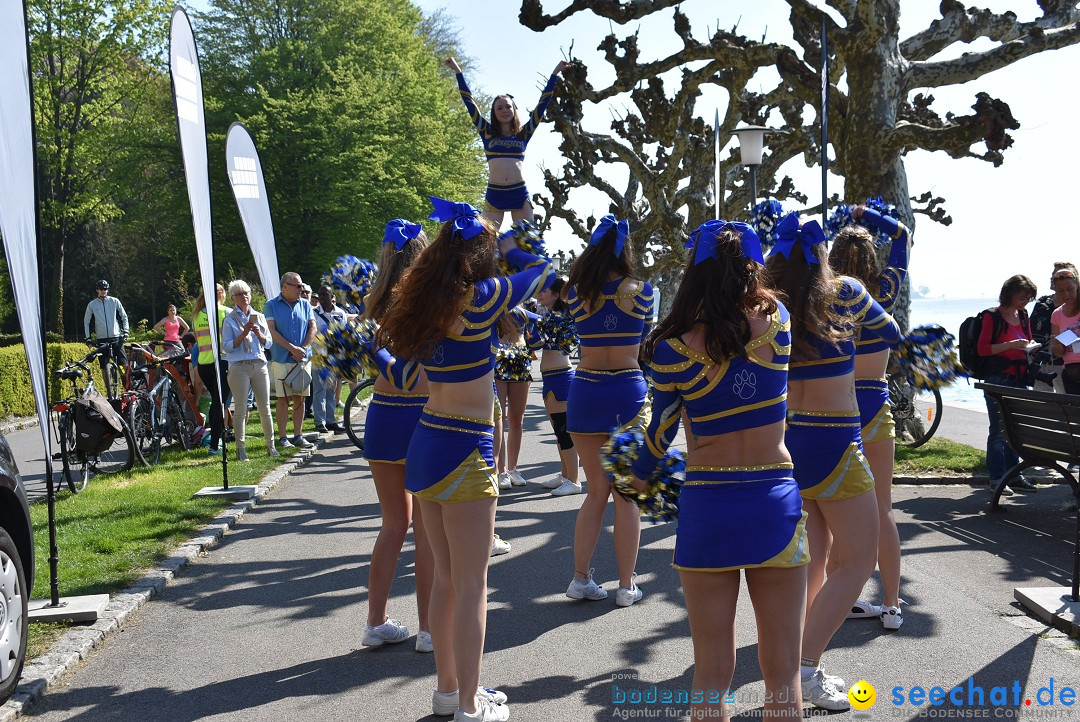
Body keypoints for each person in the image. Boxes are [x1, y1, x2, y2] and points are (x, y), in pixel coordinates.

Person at [378, 197, 553, 721]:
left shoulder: (423, 305)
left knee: (446, 580)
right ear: (479, 256)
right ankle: (472, 706)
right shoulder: (481, 299)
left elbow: (405, 372)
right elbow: (542, 269)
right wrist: (509, 238)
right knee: (472, 585)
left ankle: (449, 692)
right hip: (466, 447)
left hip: (426, 442)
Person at [631, 220, 807, 721]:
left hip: (708, 506)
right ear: (751, 270)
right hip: (775, 502)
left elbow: (659, 432)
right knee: (782, 672)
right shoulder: (780, 323)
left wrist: (635, 480)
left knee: (710, 670)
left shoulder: (672, 347)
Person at [765, 213, 900, 711]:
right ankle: (804, 667)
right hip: (839, 442)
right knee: (859, 561)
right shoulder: (844, 292)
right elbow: (892, 331)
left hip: (791, 440)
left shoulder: (770, 304)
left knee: (815, 557)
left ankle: (794, 664)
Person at [828, 204, 911, 630]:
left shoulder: (824, 296)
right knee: (882, 507)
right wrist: (867, 214)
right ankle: (893, 603)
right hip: (875, 402)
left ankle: (842, 597)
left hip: (835, 404)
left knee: (830, 509)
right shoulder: (885, 290)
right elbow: (903, 238)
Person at [564, 214, 653, 607]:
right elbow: (646, 339)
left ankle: (579, 578)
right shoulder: (643, 291)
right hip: (626, 394)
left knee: (595, 493)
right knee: (627, 494)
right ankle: (626, 585)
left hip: (584, 389)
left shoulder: (576, 293)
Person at [360, 219, 434, 654]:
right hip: (422, 418)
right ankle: (428, 629)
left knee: (393, 524)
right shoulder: (428, 302)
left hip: (383, 414)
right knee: (425, 529)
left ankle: (376, 621)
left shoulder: (371, 306)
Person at [445, 56, 571, 228]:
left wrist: (555, 73)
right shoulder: (486, 132)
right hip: (494, 193)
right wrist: (458, 72)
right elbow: (470, 103)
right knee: (485, 242)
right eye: (499, 107)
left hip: (518, 192)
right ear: (494, 112)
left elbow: (543, 104)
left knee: (526, 241)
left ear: (514, 110)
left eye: (508, 106)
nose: (504, 110)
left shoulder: (524, 134)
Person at [977, 275, 1038, 492]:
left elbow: (1028, 340)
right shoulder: (992, 316)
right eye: (1022, 297)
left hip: (1019, 378)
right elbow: (983, 349)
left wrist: (1030, 347)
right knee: (998, 430)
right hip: (997, 379)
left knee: (1015, 430)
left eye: (1028, 299)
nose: (1024, 302)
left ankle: (1014, 475)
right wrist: (1010, 345)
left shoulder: (1022, 315)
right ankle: (996, 478)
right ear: (1009, 293)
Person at [529, 277, 580, 494]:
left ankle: (575, 481)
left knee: (563, 430)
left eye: (545, 291)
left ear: (557, 295)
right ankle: (565, 474)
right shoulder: (549, 316)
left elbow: (560, 340)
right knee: (557, 429)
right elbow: (536, 341)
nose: (540, 294)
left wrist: (526, 316)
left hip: (561, 376)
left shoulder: (562, 317)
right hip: (550, 377)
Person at [222, 280, 276, 461]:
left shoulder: (259, 316)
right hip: (239, 366)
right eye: (240, 294)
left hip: (259, 364)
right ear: (233, 299)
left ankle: (271, 445)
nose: (244, 297)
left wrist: (258, 333)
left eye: (247, 293)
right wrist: (243, 334)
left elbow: (268, 343)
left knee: (265, 407)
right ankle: (241, 448)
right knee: (240, 407)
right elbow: (227, 347)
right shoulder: (229, 320)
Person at [265, 272, 316, 451]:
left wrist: (302, 348)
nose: (301, 289)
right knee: (283, 399)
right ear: (285, 286)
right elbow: (272, 332)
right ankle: (283, 437)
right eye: (298, 286)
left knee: (300, 398)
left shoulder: (305, 304)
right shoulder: (271, 305)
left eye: (302, 286)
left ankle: (298, 435)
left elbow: (312, 327)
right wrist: (292, 349)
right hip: (281, 359)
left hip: (302, 360)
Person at [494, 305, 537, 489]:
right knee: (499, 418)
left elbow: (542, 322)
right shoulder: (494, 306)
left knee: (517, 419)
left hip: (520, 361)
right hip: (498, 360)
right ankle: (501, 470)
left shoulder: (522, 311)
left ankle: (513, 468)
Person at [192, 285, 231, 456]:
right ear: (222, 294)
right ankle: (215, 444)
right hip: (221, 362)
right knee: (219, 403)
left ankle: (216, 439)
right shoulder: (226, 312)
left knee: (216, 402)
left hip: (204, 364)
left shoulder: (196, 315)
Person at [1033, 262, 1078, 392]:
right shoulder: (1046, 305)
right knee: (1045, 406)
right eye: (1055, 275)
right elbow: (1035, 332)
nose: (1066, 294)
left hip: (1064, 366)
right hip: (1048, 364)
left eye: (1069, 289)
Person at [312, 285, 347, 434]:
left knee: (331, 390)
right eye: (320, 294)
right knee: (319, 389)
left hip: (334, 356)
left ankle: (331, 420)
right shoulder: (313, 313)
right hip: (318, 355)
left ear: (331, 295)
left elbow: (345, 333)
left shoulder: (340, 313)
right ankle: (320, 421)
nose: (321, 297)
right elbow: (311, 333)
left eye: (325, 294)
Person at [83, 279, 130, 375]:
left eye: (105, 289)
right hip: (102, 339)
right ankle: (108, 389)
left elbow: (124, 316)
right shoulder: (92, 304)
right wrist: (88, 338)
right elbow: (86, 321)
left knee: (125, 364)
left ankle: (130, 386)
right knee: (104, 367)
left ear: (107, 290)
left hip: (116, 337)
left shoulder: (114, 301)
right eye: (101, 289)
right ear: (97, 290)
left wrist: (126, 331)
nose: (103, 291)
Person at [1050, 267, 1080, 394]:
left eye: (1069, 289)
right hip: (1070, 372)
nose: (1066, 295)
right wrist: (1057, 345)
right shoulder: (1057, 314)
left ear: (1077, 286)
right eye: (1061, 291)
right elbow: (1058, 353)